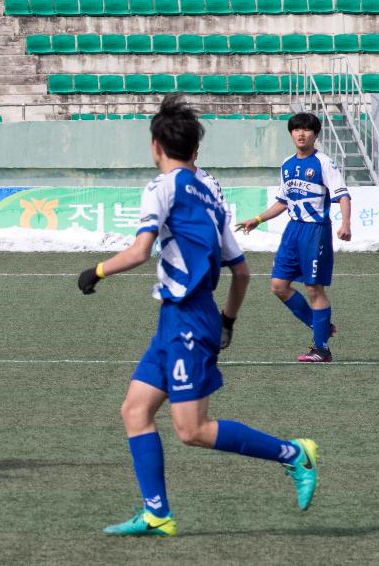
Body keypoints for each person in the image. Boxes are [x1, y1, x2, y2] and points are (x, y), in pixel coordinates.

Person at [76, 96, 318, 537]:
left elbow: (139, 250)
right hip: (182, 318)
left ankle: (294, 454)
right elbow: (241, 272)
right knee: (135, 410)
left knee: (193, 429)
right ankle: (157, 514)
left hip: (188, 320)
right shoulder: (210, 193)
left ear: (156, 146)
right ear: (194, 149)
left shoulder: (161, 186)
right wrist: (227, 321)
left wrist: (96, 271)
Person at [235, 112, 350, 363]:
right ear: (291, 133)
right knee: (278, 286)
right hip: (292, 231)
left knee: (313, 287)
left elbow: (342, 195)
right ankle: (320, 325)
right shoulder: (287, 164)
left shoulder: (323, 163)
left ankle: (321, 349)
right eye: (297, 129)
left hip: (315, 231)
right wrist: (257, 220)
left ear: (315, 135)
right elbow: (282, 202)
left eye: (307, 130)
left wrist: (346, 224)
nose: (301, 133)